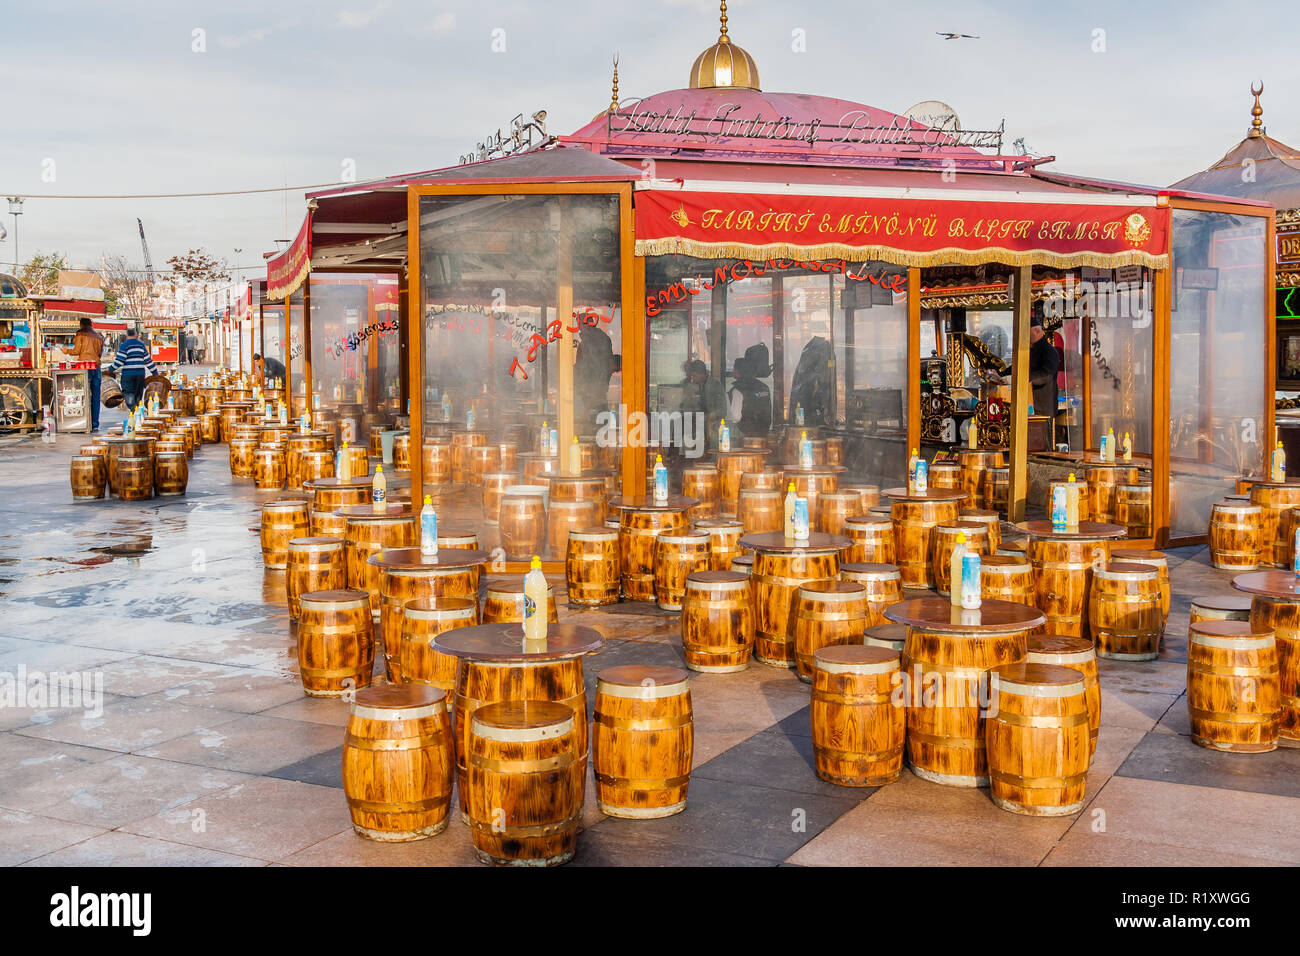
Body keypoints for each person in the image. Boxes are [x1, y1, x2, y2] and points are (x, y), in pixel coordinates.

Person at [678, 359, 728, 451]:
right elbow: (685, 407)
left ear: (702, 374)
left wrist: (708, 417)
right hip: (694, 425)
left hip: (713, 425)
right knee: (684, 445)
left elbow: (722, 410)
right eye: (691, 375)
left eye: (694, 375)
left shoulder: (715, 386)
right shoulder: (690, 386)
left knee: (714, 442)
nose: (692, 378)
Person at [727, 343, 772, 439]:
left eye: (734, 369)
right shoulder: (764, 387)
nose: (732, 371)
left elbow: (735, 417)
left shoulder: (738, 390)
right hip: (763, 434)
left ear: (738, 372)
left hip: (745, 436)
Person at [70, 317, 105, 432]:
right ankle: (94, 423)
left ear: (81, 325)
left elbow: (76, 351)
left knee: (82, 394)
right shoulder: (99, 336)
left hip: (84, 367)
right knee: (95, 396)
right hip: (96, 367)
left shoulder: (81, 334)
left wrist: (65, 351)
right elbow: (100, 353)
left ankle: (84, 422)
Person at [109, 329, 156, 412]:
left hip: (128, 374)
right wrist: (154, 372)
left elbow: (120, 361)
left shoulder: (124, 345)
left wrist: (110, 369)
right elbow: (148, 360)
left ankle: (134, 408)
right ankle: (137, 412)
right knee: (138, 394)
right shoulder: (141, 345)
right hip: (140, 374)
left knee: (128, 392)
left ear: (127, 335)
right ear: (136, 335)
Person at [1028, 314, 1060, 423]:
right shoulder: (1029, 351)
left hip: (1044, 409)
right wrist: (1002, 374)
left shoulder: (1049, 351)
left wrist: (1025, 378)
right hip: (1030, 406)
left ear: (1037, 330)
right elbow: (1017, 367)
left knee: (1043, 439)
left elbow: (1047, 375)